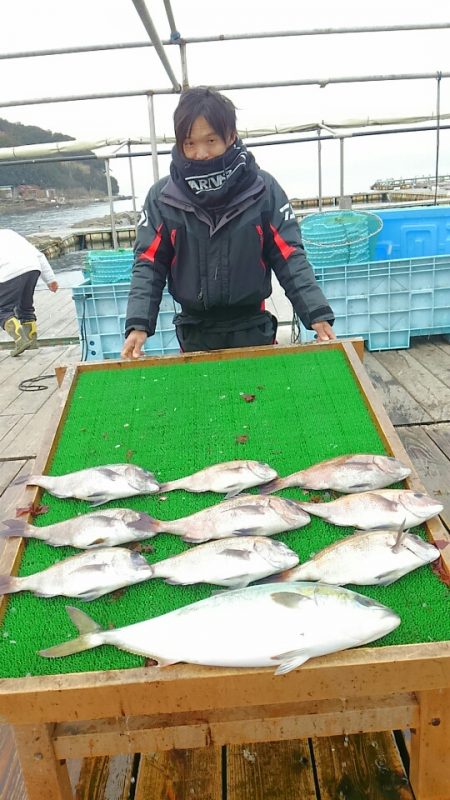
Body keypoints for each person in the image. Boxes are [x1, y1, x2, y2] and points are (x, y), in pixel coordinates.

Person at [121, 87, 335, 357]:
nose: (200, 153)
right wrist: (138, 324)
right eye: (190, 143)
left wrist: (316, 313)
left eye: (210, 141)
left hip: (253, 327)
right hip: (193, 330)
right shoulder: (161, 198)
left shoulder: (264, 189)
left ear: (230, 136)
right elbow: (148, 264)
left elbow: (289, 255)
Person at [0, 228, 59, 356]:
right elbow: (39, 255)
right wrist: (50, 280)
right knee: (25, 306)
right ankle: (32, 342)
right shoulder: (10, 233)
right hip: (33, 267)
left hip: (9, 271)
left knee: (2, 310)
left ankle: (21, 340)